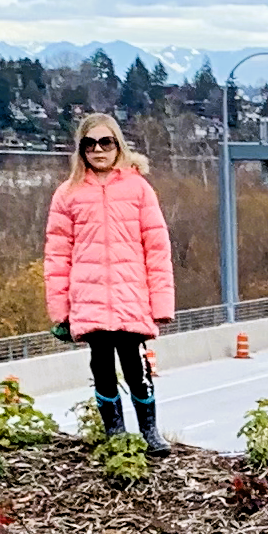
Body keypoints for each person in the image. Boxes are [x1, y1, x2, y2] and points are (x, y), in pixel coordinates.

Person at [42, 111, 175, 447]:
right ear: (80, 149)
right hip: (88, 299)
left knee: (136, 366)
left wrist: (161, 304)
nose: (98, 150)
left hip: (132, 295)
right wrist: (60, 310)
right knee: (101, 367)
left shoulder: (139, 189)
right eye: (89, 144)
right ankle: (115, 432)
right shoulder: (67, 193)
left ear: (118, 145)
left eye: (105, 142)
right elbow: (57, 256)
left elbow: (157, 249)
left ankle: (150, 432)